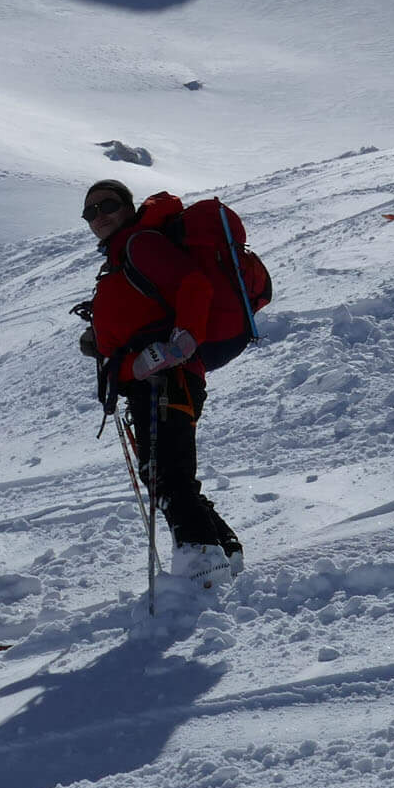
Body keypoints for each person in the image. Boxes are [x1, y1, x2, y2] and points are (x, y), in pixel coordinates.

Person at [77, 180, 242, 579]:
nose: (99, 216)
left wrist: (181, 342)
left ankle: (201, 566)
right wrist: (100, 339)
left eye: (107, 205)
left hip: (169, 378)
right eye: (90, 212)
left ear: (128, 207)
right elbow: (136, 314)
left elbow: (194, 285)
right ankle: (224, 552)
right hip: (148, 383)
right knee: (163, 475)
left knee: (169, 476)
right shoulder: (117, 260)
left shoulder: (141, 245)